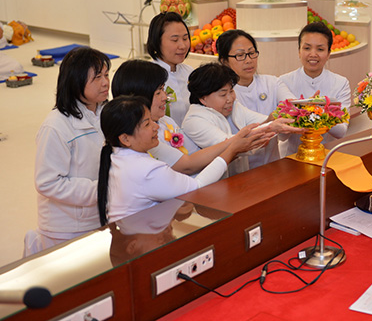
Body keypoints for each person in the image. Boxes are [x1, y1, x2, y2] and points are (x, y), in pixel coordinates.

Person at [111, 59, 269, 175]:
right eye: (158, 92)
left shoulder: (167, 121)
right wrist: (235, 143)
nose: (165, 97)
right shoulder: (144, 136)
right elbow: (188, 165)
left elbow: (195, 154)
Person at [97, 95, 239, 224]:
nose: (156, 127)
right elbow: (197, 186)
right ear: (125, 139)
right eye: (147, 124)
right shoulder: (147, 170)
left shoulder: (117, 157)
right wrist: (231, 151)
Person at [27, 47, 111, 255]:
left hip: (99, 214)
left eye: (106, 74)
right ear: (76, 82)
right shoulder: (56, 126)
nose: (105, 82)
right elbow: (48, 182)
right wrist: (100, 190)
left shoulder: (104, 113)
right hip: (66, 228)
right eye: (97, 77)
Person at [182, 63, 303, 176]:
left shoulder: (234, 106)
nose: (230, 99)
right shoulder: (194, 120)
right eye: (223, 95)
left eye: (231, 91)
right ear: (203, 98)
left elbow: (261, 122)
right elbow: (229, 145)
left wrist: (281, 115)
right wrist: (270, 126)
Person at [279, 22, 351, 156]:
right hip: (291, 156)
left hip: (326, 156)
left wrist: (319, 110)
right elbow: (281, 137)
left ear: (329, 53)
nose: (313, 54)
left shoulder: (341, 83)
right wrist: (306, 110)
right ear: (299, 51)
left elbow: (341, 132)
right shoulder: (283, 82)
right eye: (307, 48)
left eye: (320, 49)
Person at [216, 29, 295, 116]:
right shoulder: (221, 94)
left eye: (252, 53)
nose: (249, 60)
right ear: (224, 61)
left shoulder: (272, 82)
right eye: (240, 55)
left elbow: (293, 106)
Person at [147, 11, 194, 126]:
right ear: (157, 42)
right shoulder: (147, 77)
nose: (182, 46)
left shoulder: (190, 73)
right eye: (175, 40)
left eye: (185, 38)